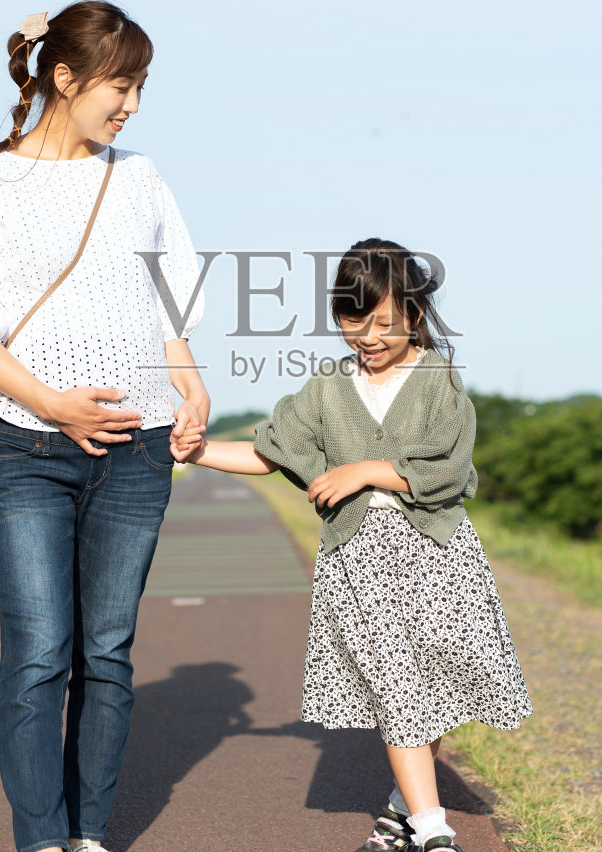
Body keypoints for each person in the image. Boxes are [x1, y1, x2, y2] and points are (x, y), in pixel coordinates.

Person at [0, 0, 210, 852]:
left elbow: (171, 297)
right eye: (121, 86)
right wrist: (51, 403)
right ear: (64, 78)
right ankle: (41, 838)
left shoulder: (140, 177)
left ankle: (88, 836)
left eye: (141, 87)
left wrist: (190, 385)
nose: (133, 105)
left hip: (135, 447)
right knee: (40, 651)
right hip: (23, 445)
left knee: (108, 653)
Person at [186, 239, 531, 852]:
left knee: (433, 684)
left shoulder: (438, 380)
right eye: (352, 321)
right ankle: (434, 832)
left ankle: (400, 812)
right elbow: (271, 452)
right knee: (398, 688)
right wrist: (199, 451)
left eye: (383, 322)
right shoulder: (327, 389)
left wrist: (366, 470)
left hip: (437, 553)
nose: (367, 337)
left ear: (414, 315)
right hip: (360, 558)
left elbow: (450, 470)